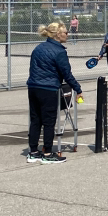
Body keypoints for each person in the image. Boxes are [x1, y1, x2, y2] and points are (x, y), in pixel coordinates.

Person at [26, 22, 83, 164]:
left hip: (33, 87)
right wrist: (78, 89)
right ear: (58, 34)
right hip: (48, 89)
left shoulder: (38, 48)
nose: (67, 35)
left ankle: (33, 152)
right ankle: (47, 154)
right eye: (65, 33)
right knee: (49, 122)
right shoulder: (60, 52)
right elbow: (67, 74)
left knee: (35, 120)